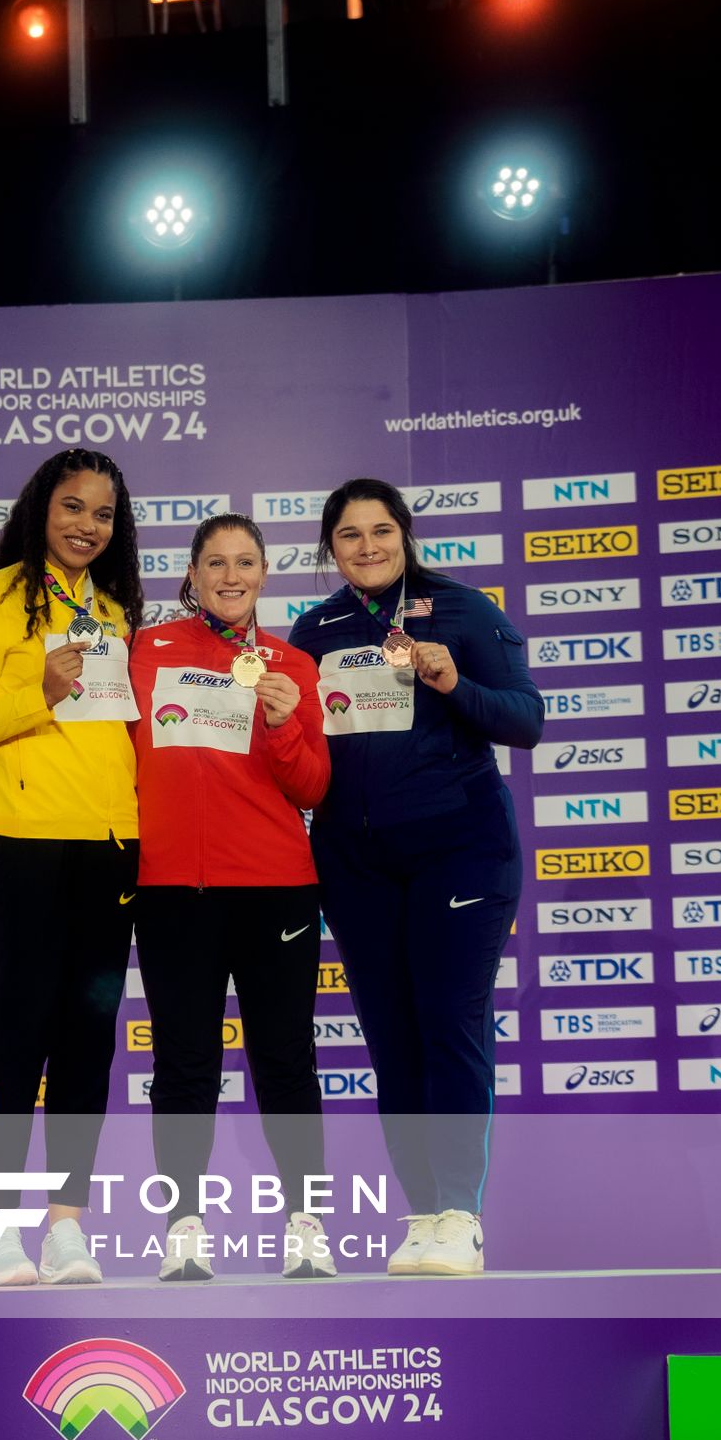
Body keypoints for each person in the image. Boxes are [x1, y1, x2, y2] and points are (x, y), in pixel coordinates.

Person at [289, 478, 544, 1277]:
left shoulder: (465, 610)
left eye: (381, 532)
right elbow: (294, 749)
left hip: (459, 851)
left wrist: (449, 682)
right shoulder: (315, 628)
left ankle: (461, 1216)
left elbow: (525, 720)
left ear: (405, 535)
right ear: (331, 549)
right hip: (356, 863)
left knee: (448, 1024)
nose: (367, 548)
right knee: (392, 1040)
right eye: (350, 536)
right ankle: (423, 1215)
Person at [0, 449, 143, 1288]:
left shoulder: (117, 612)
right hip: (20, 843)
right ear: (39, 509)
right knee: (16, 1036)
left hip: (108, 846)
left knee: (88, 1042)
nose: (86, 525)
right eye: (72, 506)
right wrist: (37, 693)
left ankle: (66, 1229)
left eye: (102, 513)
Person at [129, 513, 336, 1281]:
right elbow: (103, 747)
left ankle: (305, 1225)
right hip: (172, 890)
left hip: (277, 888)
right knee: (184, 1062)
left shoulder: (292, 664)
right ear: (191, 573)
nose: (231, 575)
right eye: (215, 562)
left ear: (263, 574)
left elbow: (312, 784)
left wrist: (283, 724)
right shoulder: (145, 653)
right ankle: (184, 1228)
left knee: (286, 1060)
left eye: (245, 561)